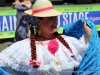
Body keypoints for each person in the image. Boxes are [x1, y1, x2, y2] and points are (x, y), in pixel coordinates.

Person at [0, 0, 97, 75]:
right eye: (50, 18)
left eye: (55, 17)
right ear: (38, 21)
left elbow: (89, 55)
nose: (55, 21)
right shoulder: (23, 48)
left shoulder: (69, 42)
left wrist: (89, 34)